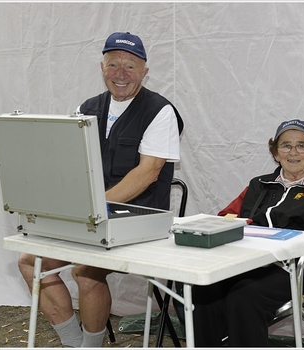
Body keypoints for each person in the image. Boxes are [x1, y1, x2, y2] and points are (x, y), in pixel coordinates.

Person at [18, 32, 183, 347]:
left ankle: (92, 347)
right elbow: (73, 166)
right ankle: (74, 342)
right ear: (102, 67)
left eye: (130, 66)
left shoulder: (160, 111)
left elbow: (148, 173)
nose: (120, 74)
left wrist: (92, 206)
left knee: (85, 271)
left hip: (140, 216)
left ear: (145, 71)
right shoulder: (87, 107)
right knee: (29, 261)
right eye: (113, 64)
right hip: (92, 215)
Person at [192, 119, 304, 347]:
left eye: (302, 146)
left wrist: (294, 243)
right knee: (201, 289)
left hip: (298, 268)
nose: (293, 152)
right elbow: (225, 216)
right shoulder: (259, 184)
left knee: (244, 297)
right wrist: (239, 224)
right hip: (248, 263)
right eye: (285, 145)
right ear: (276, 153)